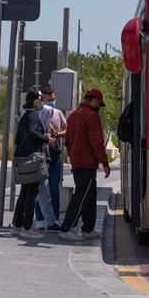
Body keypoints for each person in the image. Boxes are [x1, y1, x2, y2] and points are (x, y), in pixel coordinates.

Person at [58, 89, 111, 241]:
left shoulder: (73, 115)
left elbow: (67, 140)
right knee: (81, 196)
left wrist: (73, 155)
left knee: (89, 195)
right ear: (94, 101)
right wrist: (105, 162)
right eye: (99, 104)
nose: (98, 107)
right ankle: (66, 228)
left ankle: (88, 229)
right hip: (87, 163)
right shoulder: (92, 116)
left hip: (77, 162)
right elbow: (97, 143)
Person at [10, 89, 55, 239]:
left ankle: (17, 225)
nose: (43, 102)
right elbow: (32, 133)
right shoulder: (34, 114)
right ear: (36, 101)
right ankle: (27, 227)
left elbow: (17, 140)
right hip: (33, 159)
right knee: (32, 193)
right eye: (41, 99)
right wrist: (46, 139)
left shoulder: (25, 116)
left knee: (24, 192)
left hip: (22, 159)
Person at [34, 87, 67, 232]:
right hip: (41, 156)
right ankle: (40, 219)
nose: (52, 102)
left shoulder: (58, 113)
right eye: (49, 100)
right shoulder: (37, 114)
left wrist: (57, 133)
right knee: (42, 190)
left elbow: (67, 130)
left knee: (54, 189)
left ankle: (54, 218)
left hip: (55, 156)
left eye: (53, 99)